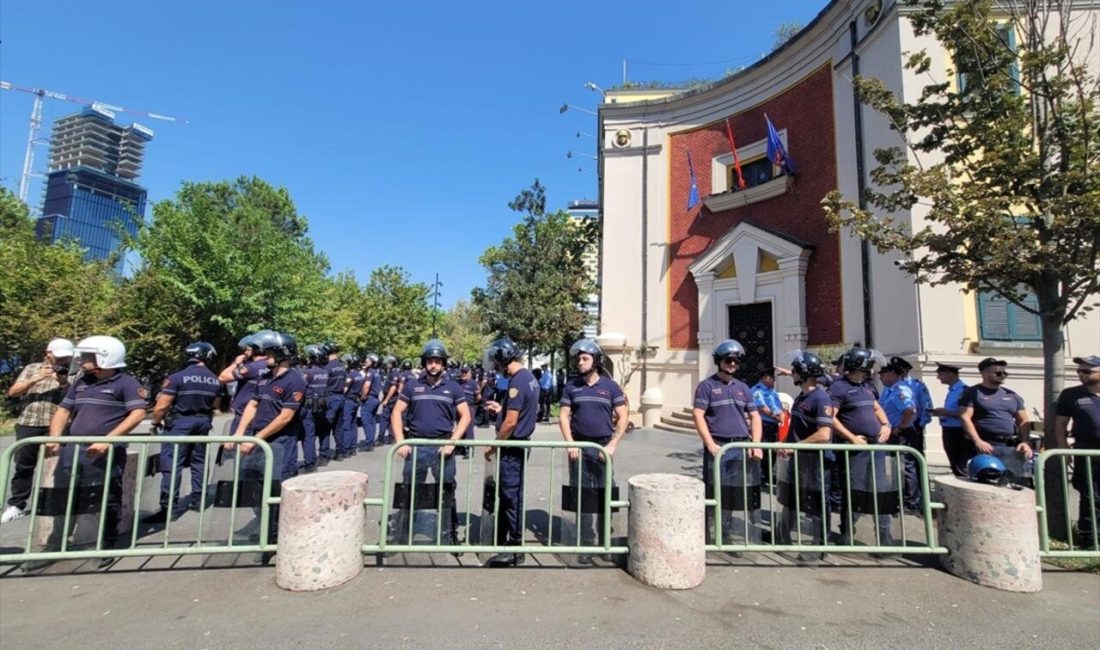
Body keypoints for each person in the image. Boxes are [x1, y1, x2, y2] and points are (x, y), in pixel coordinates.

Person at [31, 336, 147, 572]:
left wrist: (107, 441)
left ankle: (106, 546)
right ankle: (54, 546)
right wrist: (54, 438)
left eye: (87, 356)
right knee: (64, 498)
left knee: (107, 499)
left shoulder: (126, 383)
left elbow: (137, 415)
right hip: (73, 451)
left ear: (105, 357)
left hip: (105, 454)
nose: (81, 360)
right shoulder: (81, 381)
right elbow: (64, 410)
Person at [223, 330, 306, 548]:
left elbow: (285, 417)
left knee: (276, 489)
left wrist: (256, 438)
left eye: (269, 353)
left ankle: (276, 535)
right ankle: (264, 525)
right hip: (259, 439)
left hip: (280, 443)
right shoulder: (264, 377)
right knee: (253, 485)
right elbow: (253, 405)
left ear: (282, 354)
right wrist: (240, 433)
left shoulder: (294, 381)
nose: (264, 357)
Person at [388, 340, 471, 548]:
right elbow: (397, 412)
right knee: (409, 490)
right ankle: (401, 535)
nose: (433, 365)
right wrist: (400, 441)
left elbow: (466, 416)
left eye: (437, 361)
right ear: (424, 363)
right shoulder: (412, 386)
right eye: (430, 361)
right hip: (416, 446)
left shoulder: (453, 387)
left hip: (442, 448)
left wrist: (453, 442)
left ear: (443, 364)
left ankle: (449, 536)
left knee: (446, 491)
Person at [558, 339, 628, 564]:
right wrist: (570, 443)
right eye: (578, 358)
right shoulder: (571, 386)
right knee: (582, 496)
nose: (580, 362)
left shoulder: (610, 387)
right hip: (579, 447)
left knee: (605, 494)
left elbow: (623, 416)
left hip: (602, 448)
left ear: (596, 361)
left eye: (585, 358)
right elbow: (563, 416)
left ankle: (605, 542)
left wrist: (613, 445)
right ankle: (586, 542)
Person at [692, 339, 763, 547]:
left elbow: (755, 416)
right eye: (728, 360)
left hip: (740, 448)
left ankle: (728, 533)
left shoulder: (743, 388)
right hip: (718, 448)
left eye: (736, 361)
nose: (732, 364)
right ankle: (709, 534)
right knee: (715, 491)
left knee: (734, 493)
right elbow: (698, 415)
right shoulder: (707, 386)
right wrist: (710, 444)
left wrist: (756, 444)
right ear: (719, 361)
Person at [143, 342, 222, 523]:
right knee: (199, 462)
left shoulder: (177, 377)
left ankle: (168, 507)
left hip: (180, 423)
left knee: (172, 465)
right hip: (203, 422)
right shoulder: (214, 379)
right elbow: (216, 406)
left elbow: (162, 405)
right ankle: (198, 501)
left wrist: (155, 422)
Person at [2, 338, 74, 524]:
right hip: (30, 421)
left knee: (60, 466)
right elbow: (13, 392)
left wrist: (64, 382)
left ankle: (57, 503)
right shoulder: (32, 368)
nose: (62, 361)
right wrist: (37, 378)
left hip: (58, 424)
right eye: (59, 357)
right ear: (48, 354)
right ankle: (17, 504)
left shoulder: (75, 371)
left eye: (66, 357)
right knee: (24, 465)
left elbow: (75, 398)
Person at [828, 346, 894, 547]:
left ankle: (885, 539)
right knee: (854, 492)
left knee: (880, 492)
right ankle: (847, 533)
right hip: (854, 450)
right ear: (860, 365)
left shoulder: (867, 387)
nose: (872, 370)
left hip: (875, 448)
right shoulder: (838, 388)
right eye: (869, 366)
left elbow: (876, 407)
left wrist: (886, 425)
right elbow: (830, 416)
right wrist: (851, 438)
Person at [482, 337, 539, 567]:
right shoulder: (528, 378)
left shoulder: (516, 382)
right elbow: (517, 411)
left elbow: (511, 423)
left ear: (505, 359)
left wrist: (494, 445)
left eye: (496, 363)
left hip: (512, 447)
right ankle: (505, 539)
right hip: (519, 444)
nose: (496, 368)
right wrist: (502, 408)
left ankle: (515, 548)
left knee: (510, 496)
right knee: (510, 494)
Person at [775, 350, 833, 564]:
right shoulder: (803, 396)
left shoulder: (820, 398)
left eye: (795, 371)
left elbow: (824, 434)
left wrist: (794, 447)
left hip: (814, 462)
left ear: (804, 373)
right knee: (790, 497)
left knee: (815, 503)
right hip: (800, 459)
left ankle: (818, 547)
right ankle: (782, 536)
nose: (793, 374)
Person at [957, 358, 1032, 485]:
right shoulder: (972, 393)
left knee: (1017, 484)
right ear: (984, 373)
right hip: (986, 447)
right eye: (998, 373)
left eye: (1005, 373)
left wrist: (1025, 442)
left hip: (1010, 447)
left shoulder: (1012, 395)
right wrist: (978, 441)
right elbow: (965, 417)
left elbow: (1023, 420)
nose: (1002, 376)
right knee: (987, 484)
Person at [1054, 355, 1100, 548]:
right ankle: (1091, 540)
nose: (1081, 374)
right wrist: (1064, 450)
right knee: (1090, 495)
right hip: (1086, 451)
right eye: (1079, 371)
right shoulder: (1071, 395)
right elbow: (1060, 424)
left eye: (1087, 371)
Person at [878, 363, 921, 511]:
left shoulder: (900, 390)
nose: (880, 378)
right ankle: (900, 497)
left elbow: (910, 410)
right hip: (896, 432)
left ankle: (911, 502)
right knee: (897, 467)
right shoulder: (891, 390)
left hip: (903, 432)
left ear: (891, 374)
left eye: (882, 375)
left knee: (906, 467)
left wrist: (900, 427)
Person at [218, 333, 270, 438]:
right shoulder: (270, 367)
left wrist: (236, 363)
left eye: (247, 350)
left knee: (235, 449)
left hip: (244, 415)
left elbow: (222, 377)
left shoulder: (251, 368)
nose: (245, 353)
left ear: (256, 350)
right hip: (262, 415)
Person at [931, 363, 971, 476]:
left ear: (950, 373)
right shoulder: (953, 390)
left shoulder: (963, 390)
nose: (938, 377)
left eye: (940, 374)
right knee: (954, 462)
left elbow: (967, 413)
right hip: (949, 429)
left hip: (958, 431)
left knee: (960, 464)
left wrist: (946, 412)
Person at [751, 367, 783, 486]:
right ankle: (762, 476)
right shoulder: (757, 391)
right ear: (764, 378)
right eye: (772, 378)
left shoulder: (772, 391)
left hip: (773, 424)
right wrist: (775, 416)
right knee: (764, 450)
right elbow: (762, 407)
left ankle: (769, 475)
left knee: (772, 451)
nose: (774, 380)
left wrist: (781, 414)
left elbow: (777, 404)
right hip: (763, 424)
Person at [299, 344, 329, 471]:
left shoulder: (308, 373)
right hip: (322, 406)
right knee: (322, 431)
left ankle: (310, 463)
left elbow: (301, 387)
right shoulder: (324, 372)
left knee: (308, 435)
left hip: (310, 406)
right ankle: (322, 456)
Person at [321, 342, 348, 460]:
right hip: (341, 397)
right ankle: (340, 452)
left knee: (325, 427)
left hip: (331, 398)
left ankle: (323, 455)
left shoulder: (327, 367)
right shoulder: (342, 366)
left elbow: (323, 385)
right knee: (339, 427)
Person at [358, 353, 382, 452]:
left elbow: (367, 386)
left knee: (366, 420)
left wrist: (363, 396)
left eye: (368, 360)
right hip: (375, 399)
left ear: (373, 362)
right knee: (372, 421)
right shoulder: (376, 372)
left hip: (369, 399)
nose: (365, 361)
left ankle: (368, 443)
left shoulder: (370, 373)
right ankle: (371, 441)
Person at [341, 353, 363, 456]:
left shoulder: (351, 375)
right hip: (356, 400)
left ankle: (346, 448)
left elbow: (345, 388)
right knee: (353, 424)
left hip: (349, 401)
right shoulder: (359, 375)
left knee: (346, 425)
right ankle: (353, 447)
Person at [456, 364, 480, 457]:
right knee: (459, 426)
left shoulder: (473, 383)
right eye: (462, 372)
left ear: (469, 373)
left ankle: (469, 449)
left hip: (469, 407)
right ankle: (460, 447)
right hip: (458, 408)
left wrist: (472, 404)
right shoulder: (457, 382)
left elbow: (478, 397)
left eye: (465, 372)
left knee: (469, 429)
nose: (463, 374)